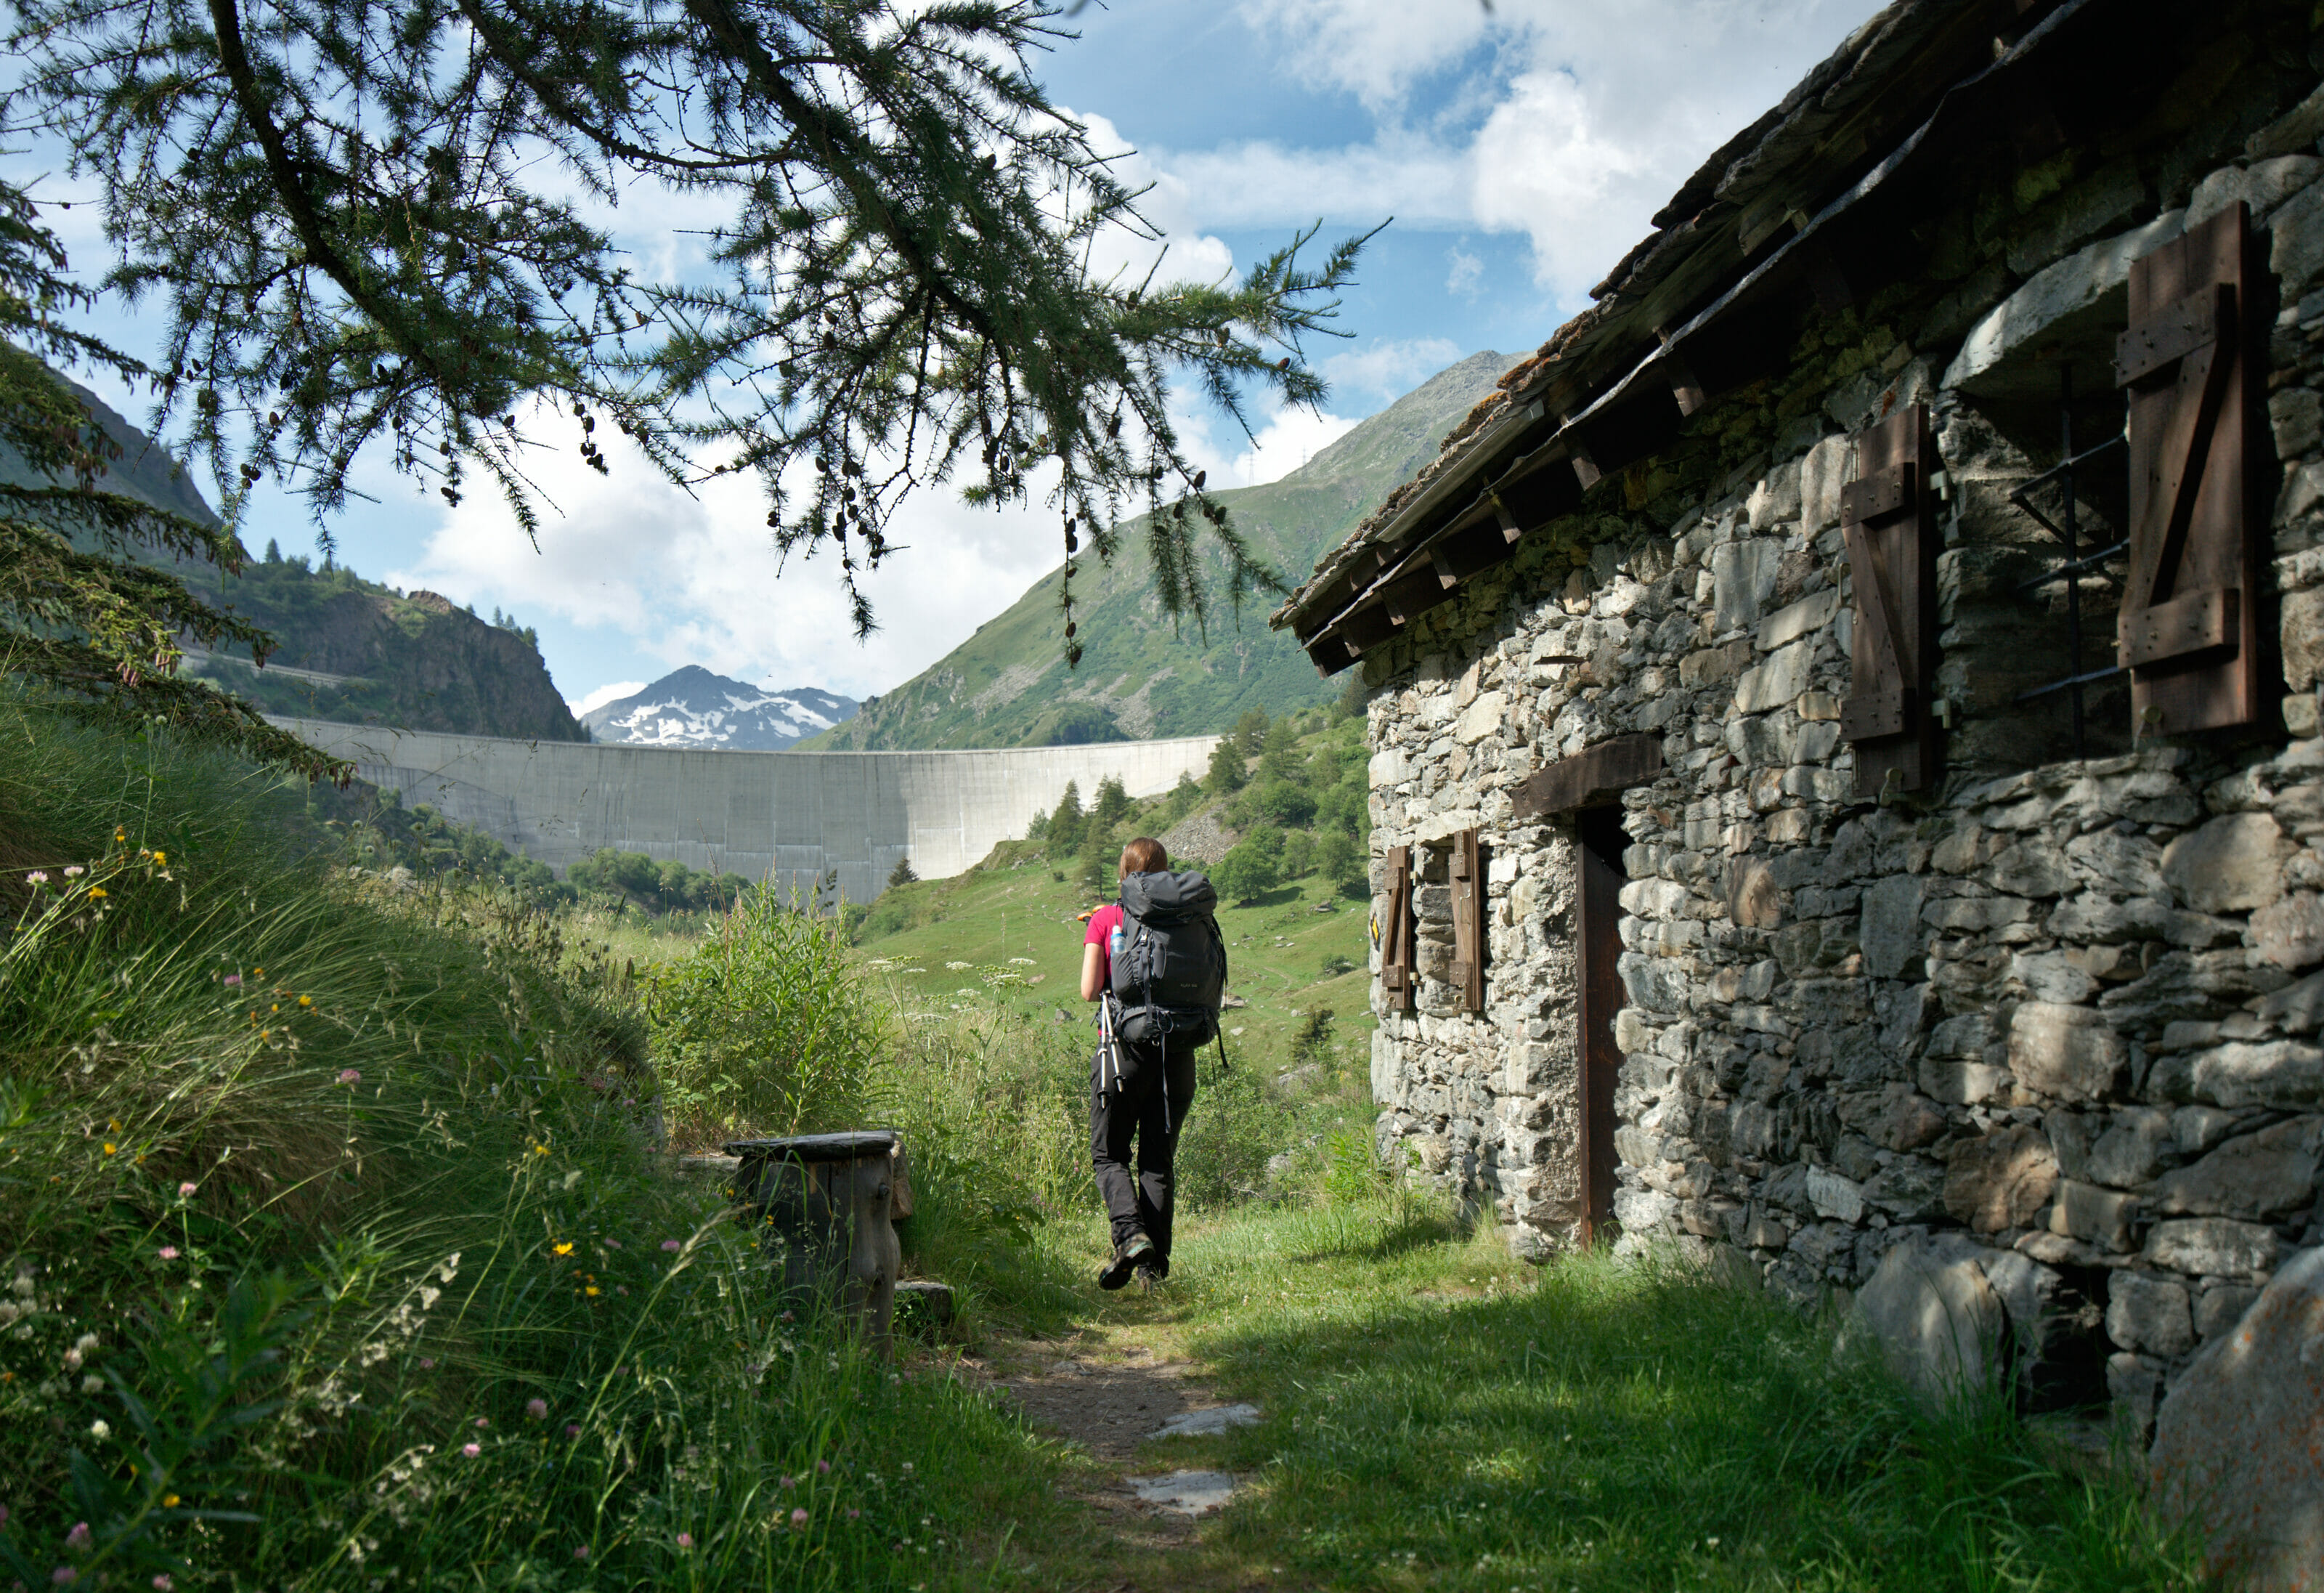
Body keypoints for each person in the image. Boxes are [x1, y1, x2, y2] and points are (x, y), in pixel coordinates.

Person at [1081, 836, 1225, 1292]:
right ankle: (1152, 1274)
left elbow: (1089, 990)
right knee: (1158, 1162)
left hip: (1124, 1054)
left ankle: (1129, 1235)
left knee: (1109, 1154)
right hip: (1179, 1053)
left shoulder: (1107, 918)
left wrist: (1099, 939)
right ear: (1166, 873)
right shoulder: (1191, 916)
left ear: (1124, 873)